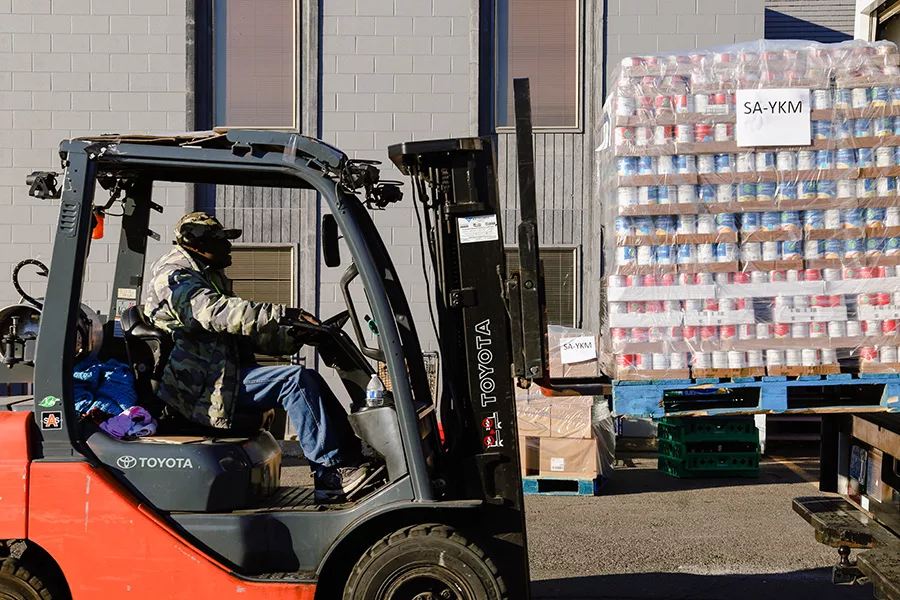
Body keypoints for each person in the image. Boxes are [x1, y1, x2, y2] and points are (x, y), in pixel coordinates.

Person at [144, 211, 367, 497]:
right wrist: (284, 314)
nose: (229, 247)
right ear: (197, 244)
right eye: (221, 241)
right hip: (202, 387)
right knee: (296, 381)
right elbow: (217, 315)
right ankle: (332, 472)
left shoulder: (207, 275)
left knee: (305, 378)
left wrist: (294, 335)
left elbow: (242, 331)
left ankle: (349, 458)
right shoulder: (175, 277)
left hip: (222, 375)